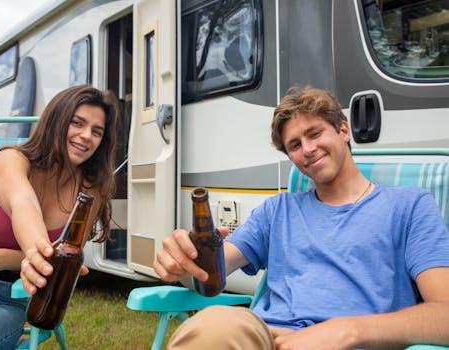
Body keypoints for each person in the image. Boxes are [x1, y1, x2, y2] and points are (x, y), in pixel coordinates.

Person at [153, 87, 449, 349]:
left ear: (343, 130)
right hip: (269, 336)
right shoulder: (278, 211)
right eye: (294, 145)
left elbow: (444, 314)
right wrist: (183, 262)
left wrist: (347, 330)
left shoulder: (409, 206)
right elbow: (211, 272)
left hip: (358, 342)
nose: (307, 149)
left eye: (315, 133)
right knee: (214, 325)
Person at [0, 85, 119, 350]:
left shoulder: (89, 190)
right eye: (77, 123)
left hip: (8, 298)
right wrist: (34, 253)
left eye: (97, 132)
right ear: (56, 121)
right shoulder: (11, 159)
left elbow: (64, 258)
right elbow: (22, 204)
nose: (86, 136)